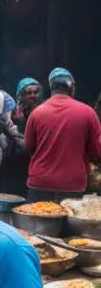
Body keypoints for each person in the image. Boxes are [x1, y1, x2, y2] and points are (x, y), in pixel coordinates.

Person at [24, 68, 101, 202]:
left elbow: (29, 147)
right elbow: (96, 151)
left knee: (38, 221)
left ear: (51, 88)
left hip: (40, 182)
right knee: (69, 223)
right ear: (72, 88)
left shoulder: (36, 113)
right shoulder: (88, 113)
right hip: (72, 184)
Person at [0, 78, 42, 198]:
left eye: (35, 92)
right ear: (20, 95)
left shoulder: (43, 113)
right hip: (12, 165)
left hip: (32, 165)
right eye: (28, 92)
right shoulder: (11, 114)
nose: (32, 95)